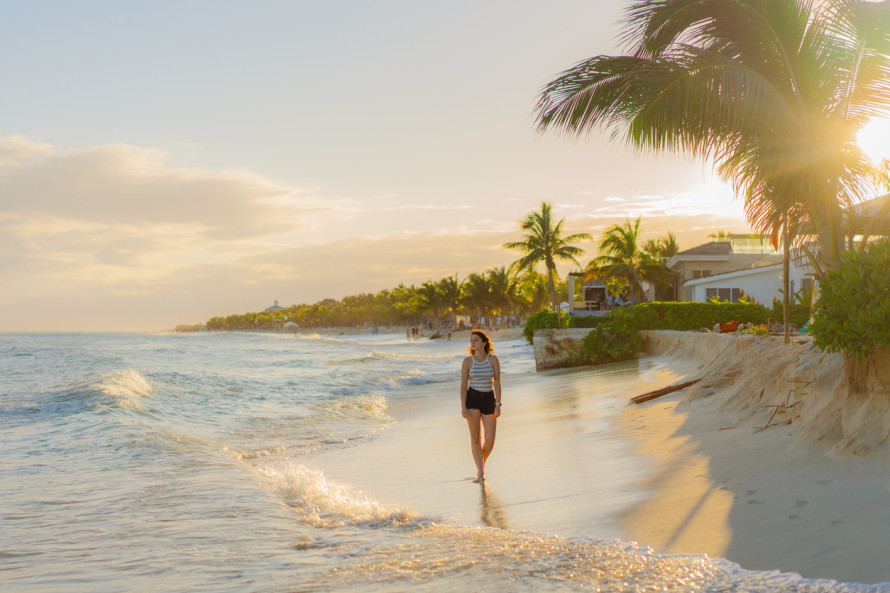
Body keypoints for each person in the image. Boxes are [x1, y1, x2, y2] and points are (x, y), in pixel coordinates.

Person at [460, 329, 502, 483]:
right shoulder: (467, 362)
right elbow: (464, 385)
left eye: (476, 340)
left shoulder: (493, 360)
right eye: (471, 340)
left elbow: (497, 382)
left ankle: (480, 464)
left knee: (490, 440)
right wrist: (463, 405)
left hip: (489, 398)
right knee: (475, 439)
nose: (473, 342)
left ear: (484, 342)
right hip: (473, 399)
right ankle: (481, 472)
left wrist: (498, 403)